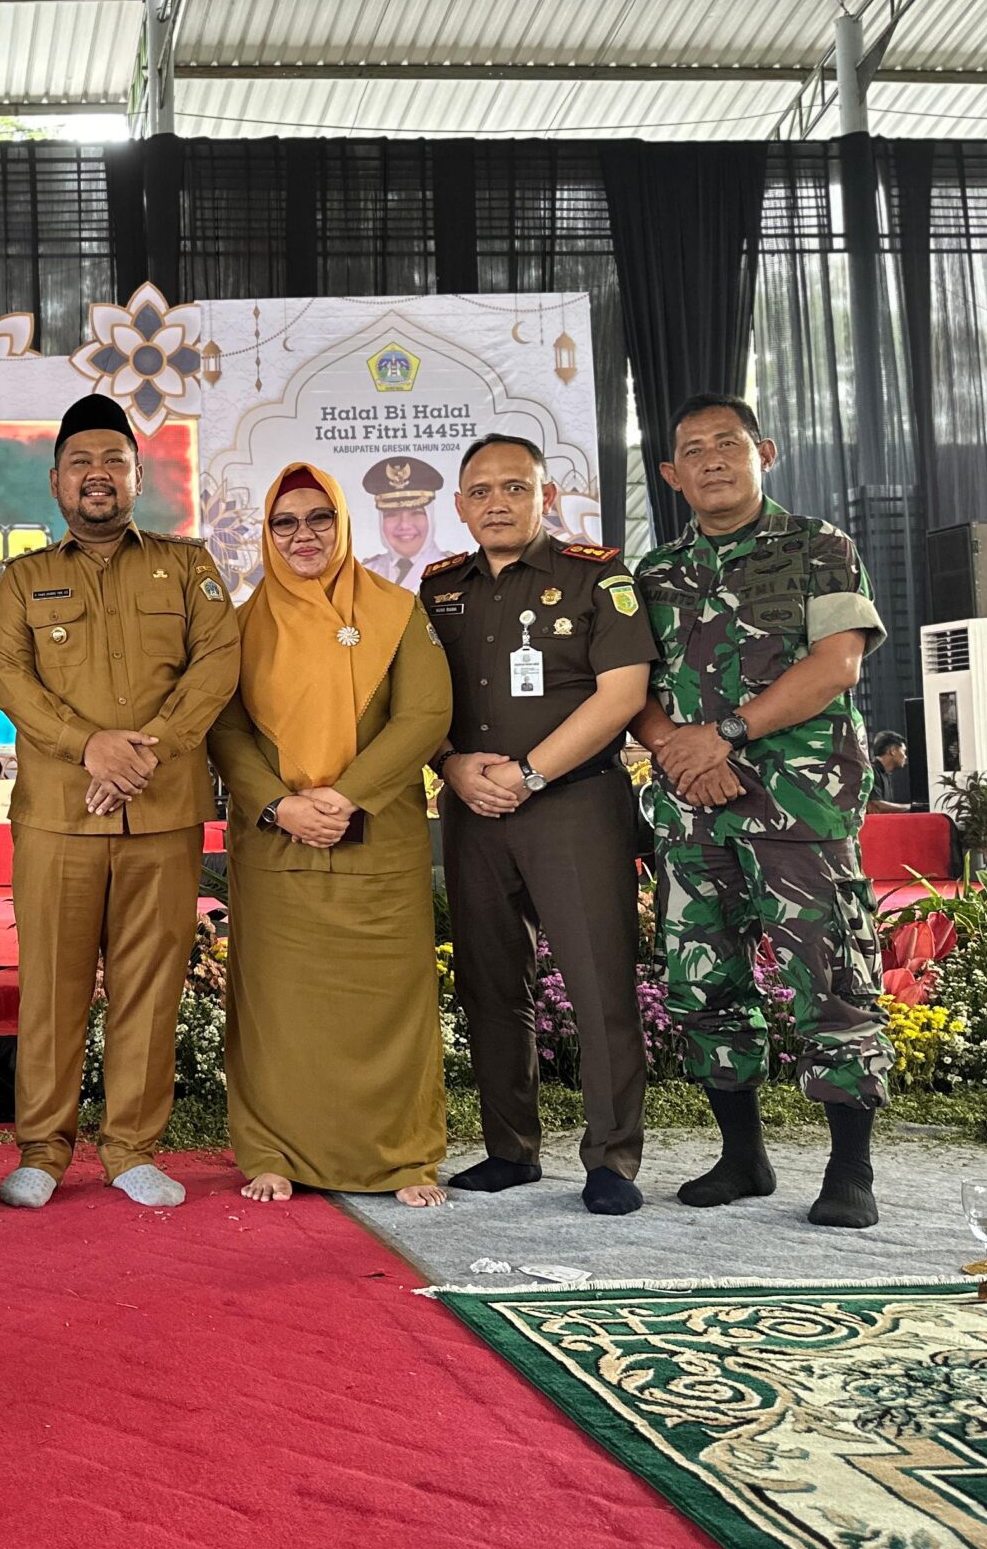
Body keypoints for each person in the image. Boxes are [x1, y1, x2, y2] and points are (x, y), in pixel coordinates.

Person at [633, 393, 893, 1229]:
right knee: (703, 976)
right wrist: (679, 752)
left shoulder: (821, 547)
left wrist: (724, 737)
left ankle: (850, 1170)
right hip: (694, 810)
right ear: (671, 474)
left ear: (764, 452)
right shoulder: (653, 574)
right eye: (693, 450)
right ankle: (742, 1157)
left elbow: (837, 665)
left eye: (728, 443)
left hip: (799, 802)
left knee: (830, 974)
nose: (711, 459)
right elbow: (630, 686)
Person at [0, 394, 240, 1209]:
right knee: (51, 989)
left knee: (150, 986)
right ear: (56, 479)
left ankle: (132, 1147)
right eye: (81, 463)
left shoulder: (189, 567)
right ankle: (42, 1149)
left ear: (137, 476)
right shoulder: (24, 579)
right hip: (59, 816)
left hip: (161, 812)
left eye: (114, 462)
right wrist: (88, 746)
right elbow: (12, 682)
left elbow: (216, 665)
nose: (97, 475)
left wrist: (145, 750)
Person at [421, 434, 655, 1216]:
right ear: (460, 506)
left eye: (515, 487)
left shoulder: (597, 577)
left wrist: (528, 775)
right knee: (491, 985)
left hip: (573, 806)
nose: (498, 503)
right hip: (474, 810)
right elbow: (418, 700)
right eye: (481, 491)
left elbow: (622, 695)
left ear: (546, 497)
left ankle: (612, 1158)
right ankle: (510, 1149)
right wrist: (451, 764)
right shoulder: (438, 591)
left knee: (598, 984)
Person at [209, 463, 453, 1206]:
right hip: (276, 843)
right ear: (267, 534)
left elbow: (425, 716)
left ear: (343, 523)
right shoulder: (240, 626)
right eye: (285, 522)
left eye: (319, 518)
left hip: (377, 838)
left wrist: (344, 796)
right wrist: (279, 806)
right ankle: (273, 1150)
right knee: (278, 1009)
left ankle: (402, 1158)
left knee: (389, 1005)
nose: (303, 535)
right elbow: (226, 729)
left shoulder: (396, 610)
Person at [358, 455, 449, 589]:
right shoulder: (364, 573)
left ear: (430, 517)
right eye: (392, 514)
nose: (404, 525)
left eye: (416, 513)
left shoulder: (455, 572)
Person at [869, 730, 912, 812]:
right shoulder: (871, 771)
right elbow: (876, 806)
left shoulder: (885, 773)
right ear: (893, 751)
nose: (905, 756)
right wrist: (911, 807)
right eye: (903, 751)